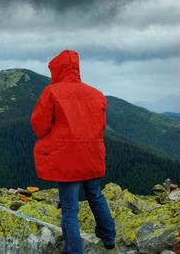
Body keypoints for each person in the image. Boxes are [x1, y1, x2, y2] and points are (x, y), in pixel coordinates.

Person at [30, 49, 116, 254]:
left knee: (70, 208)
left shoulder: (52, 92)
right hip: (92, 155)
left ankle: (74, 251)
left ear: (57, 69)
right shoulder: (96, 94)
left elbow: (39, 126)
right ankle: (109, 238)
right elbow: (101, 126)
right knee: (96, 195)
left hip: (67, 158)